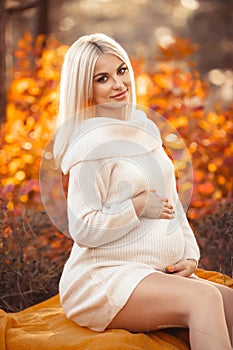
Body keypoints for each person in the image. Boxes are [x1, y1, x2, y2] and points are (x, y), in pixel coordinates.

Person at [53, 33, 233, 350]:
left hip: (150, 272)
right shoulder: (89, 146)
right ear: (86, 89)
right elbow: (82, 229)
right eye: (102, 78)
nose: (118, 84)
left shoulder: (144, 128)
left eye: (121, 71)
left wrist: (190, 256)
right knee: (203, 299)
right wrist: (135, 208)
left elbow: (172, 202)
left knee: (229, 303)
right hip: (103, 278)